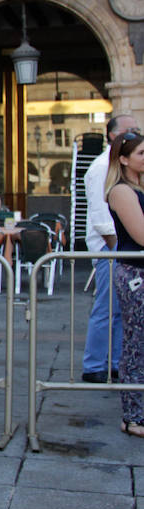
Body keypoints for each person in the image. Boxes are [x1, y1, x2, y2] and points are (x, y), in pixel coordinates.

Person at [82, 114, 140, 383]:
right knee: (106, 308)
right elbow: (100, 218)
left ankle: (115, 362)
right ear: (113, 136)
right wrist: (119, 255)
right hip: (112, 249)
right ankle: (94, 365)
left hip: (121, 250)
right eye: (129, 131)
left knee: (120, 312)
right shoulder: (100, 168)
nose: (135, 133)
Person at [104, 130, 144, 437]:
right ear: (124, 159)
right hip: (136, 275)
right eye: (141, 153)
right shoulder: (121, 191)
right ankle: (134, 415)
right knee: (136, 344)